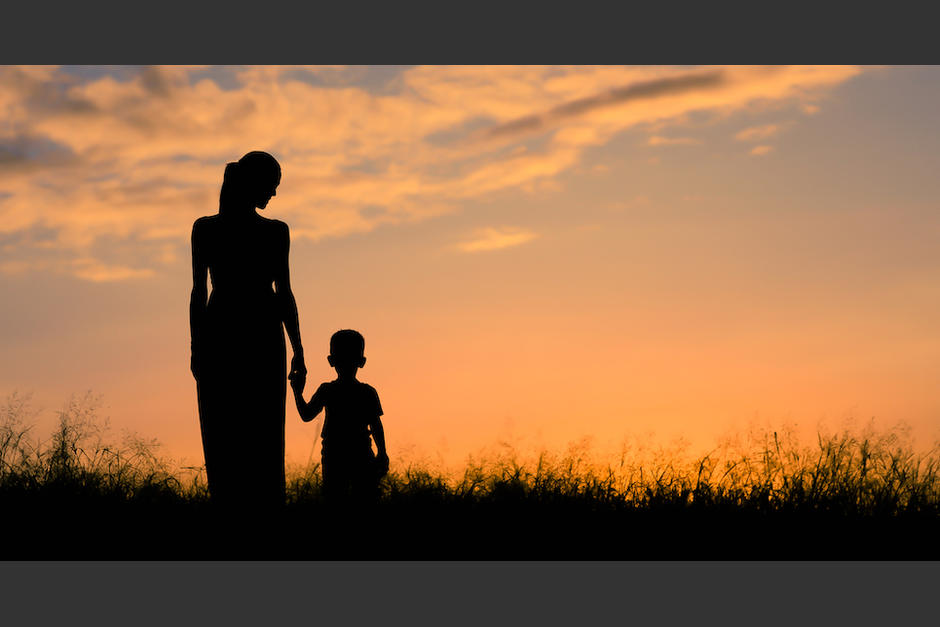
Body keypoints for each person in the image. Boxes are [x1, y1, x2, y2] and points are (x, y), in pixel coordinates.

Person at [190, 151, 306, 510]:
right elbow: (198, 292)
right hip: (229, 333)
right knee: (223, 428)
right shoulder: (206, 228)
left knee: (263, 431)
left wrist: (298, 349)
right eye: (271, 185)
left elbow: (285, 292)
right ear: (254, 184)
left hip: (256, 335)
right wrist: (197, 347)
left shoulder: (275, 231)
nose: (274, 194)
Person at [291, 329, 388, 506]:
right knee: (363, 499)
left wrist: (297, 392)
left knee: (336, 499)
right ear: (362, 361)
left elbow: (306, 415)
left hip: (337, 453)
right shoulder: (366, 392)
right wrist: (382, 452)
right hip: (357, 452)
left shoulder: (328, 390)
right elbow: (376, 425)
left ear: (331, 360)